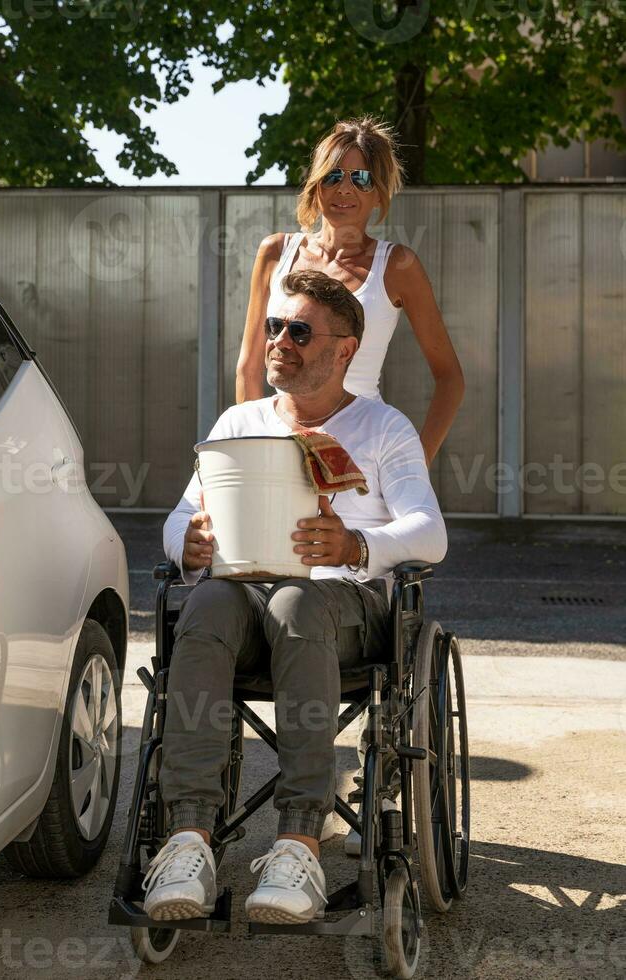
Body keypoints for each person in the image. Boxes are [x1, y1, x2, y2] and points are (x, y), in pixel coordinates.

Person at [143, 270, 447, 926]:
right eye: (273, 327)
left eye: (298, 330)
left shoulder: (382, 428)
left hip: (345, 606)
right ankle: (189, 840)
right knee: (206, 603)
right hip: (246, 598)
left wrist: (355, 546)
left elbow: (431, 531)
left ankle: (299, 843)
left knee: (297, 604)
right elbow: (178, 517)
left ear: (344, 350)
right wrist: (187, 545)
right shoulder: (239, 421)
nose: (278, 340)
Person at [235, 114, 464, 847]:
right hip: (275, 451)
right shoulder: (277, 251)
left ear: (380, 189)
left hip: (360, 464)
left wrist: (409, 469)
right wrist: (245, 460)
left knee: (336, 601)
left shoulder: (397, 267)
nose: (342, 189)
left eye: (359, 177)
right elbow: (249, 370)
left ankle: (348, 780)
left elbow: (449, 377)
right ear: (315, 182)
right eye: (332, 174)